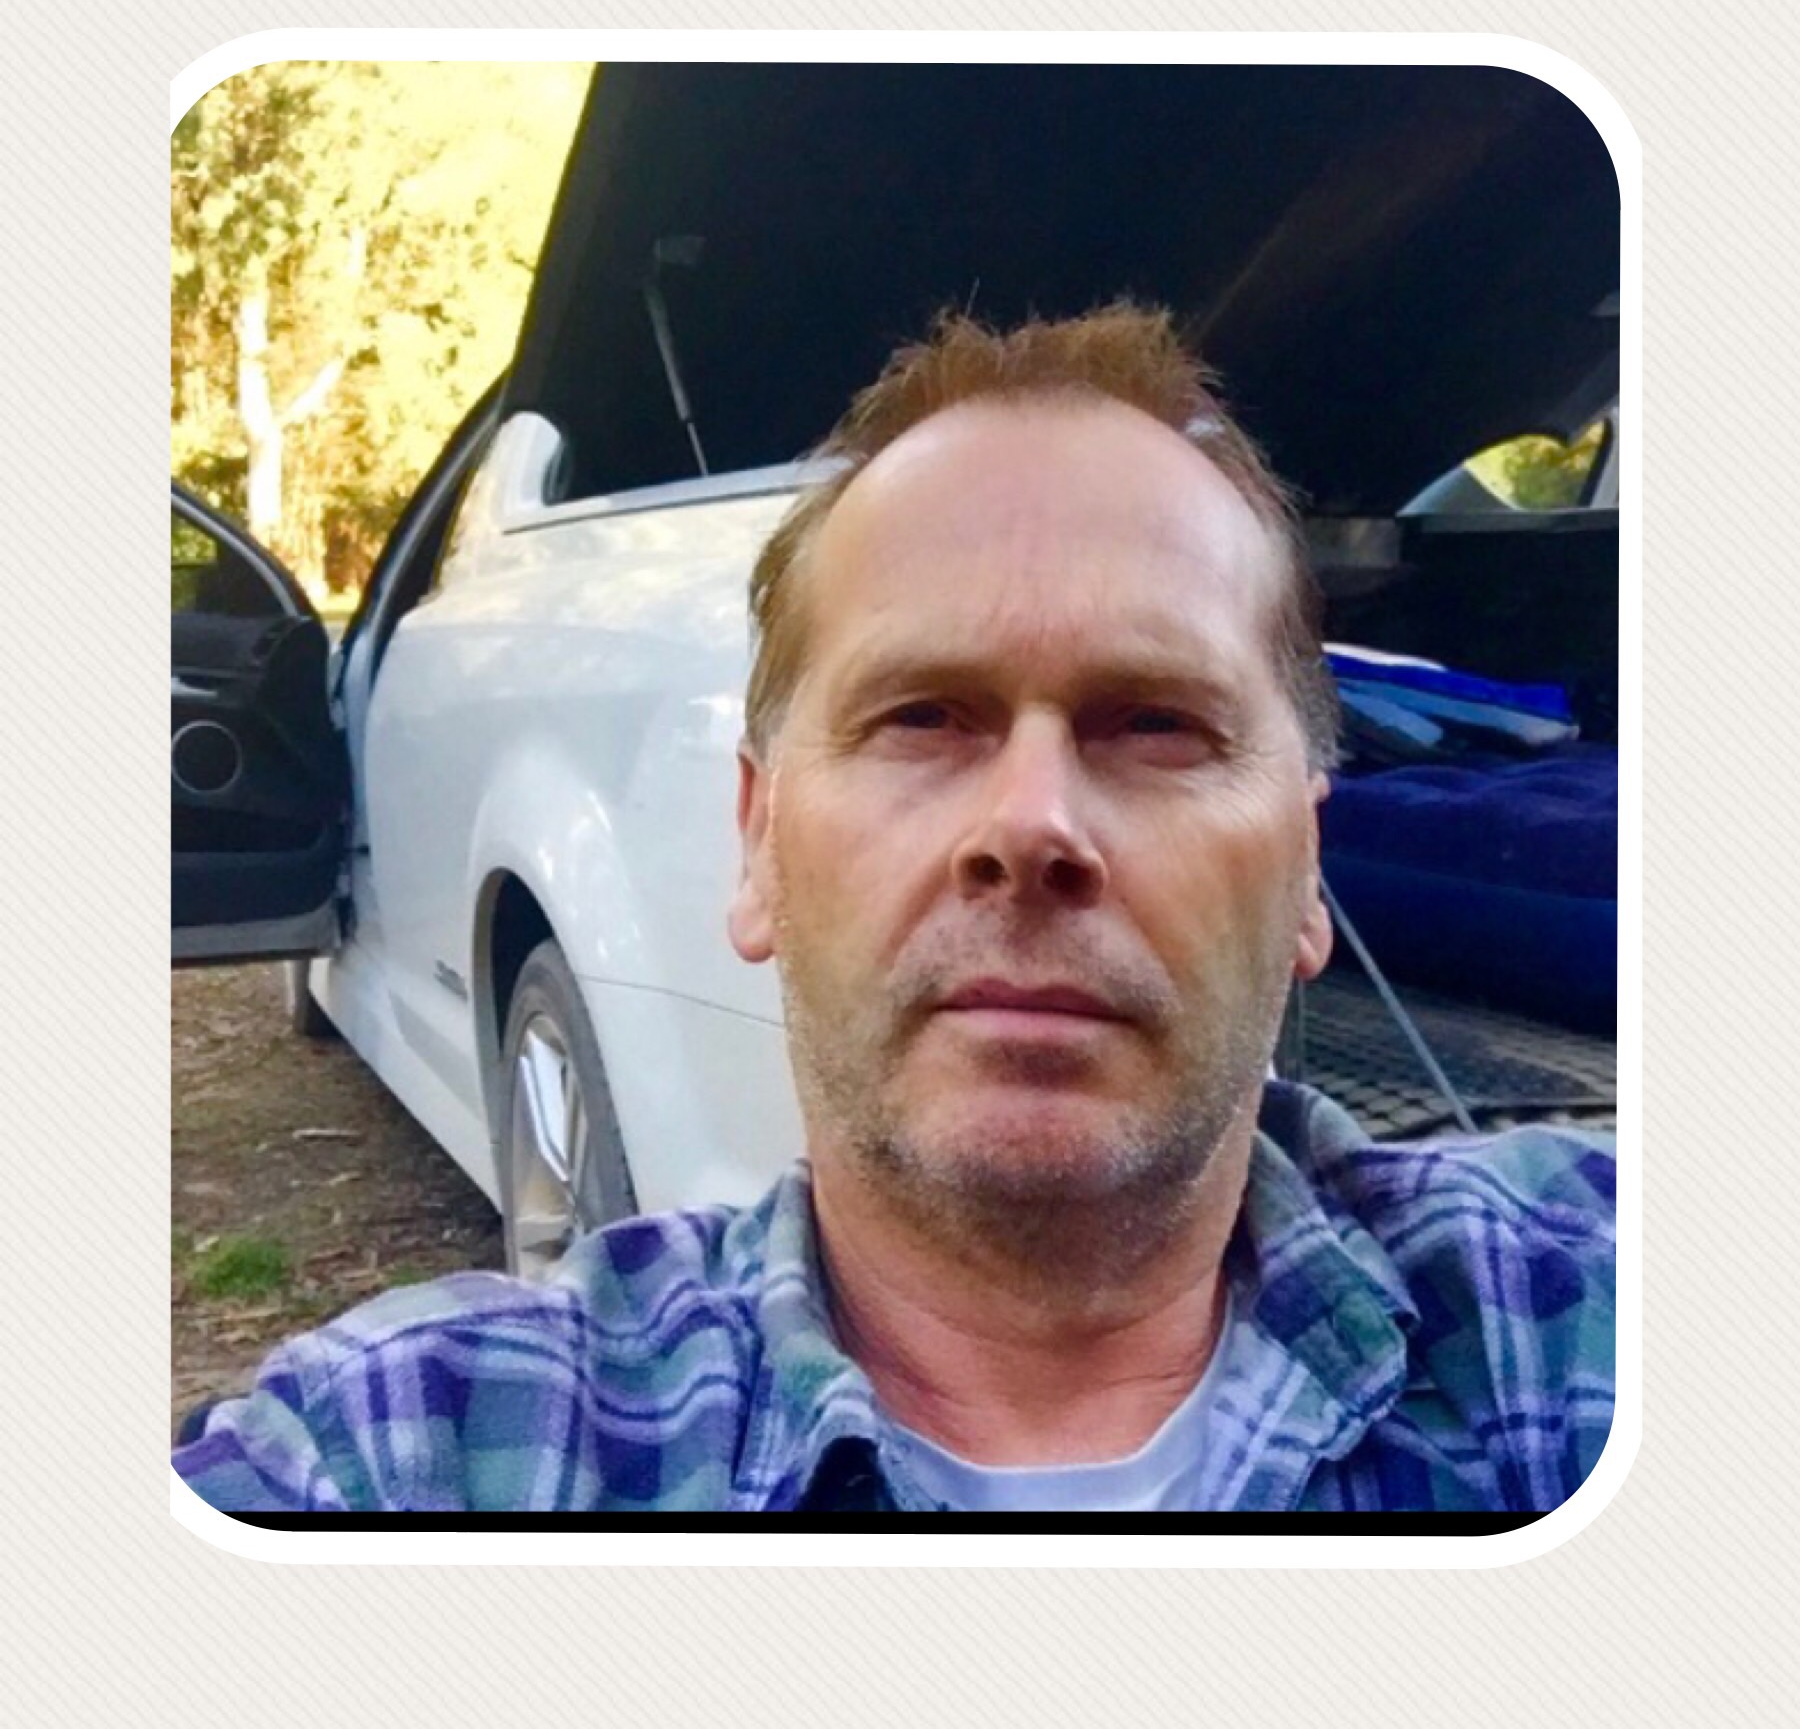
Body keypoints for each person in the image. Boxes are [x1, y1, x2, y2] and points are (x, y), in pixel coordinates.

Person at [175, 306, 1615, 1514]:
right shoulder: (425, 1450)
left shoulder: (1575, 1314)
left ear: (1306, 868)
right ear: (758, 845)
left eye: (1155, 724)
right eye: (923, 717)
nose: (1032, 826)